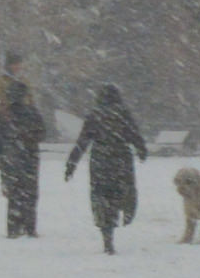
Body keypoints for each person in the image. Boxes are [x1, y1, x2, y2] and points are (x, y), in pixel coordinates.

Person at [63, 84, 148, 254]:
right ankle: (126, 210)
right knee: (123, 191)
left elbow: (83, 141)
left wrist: (71, 164)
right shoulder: (123, 113)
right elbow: (134, 134)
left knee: (101, 199)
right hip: (121, 159)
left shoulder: (95, 115)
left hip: (100, 162)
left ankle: (107, 235)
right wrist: (141, 149)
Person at [0, 78, 46, 239]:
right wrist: (29, 138)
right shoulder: (33, 112)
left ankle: (13, 226)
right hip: (30, 157)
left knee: (14, 194)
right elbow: (41, 133)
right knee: (30, 193)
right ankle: (30, 226)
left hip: (11, 158)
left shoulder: (4, 115)